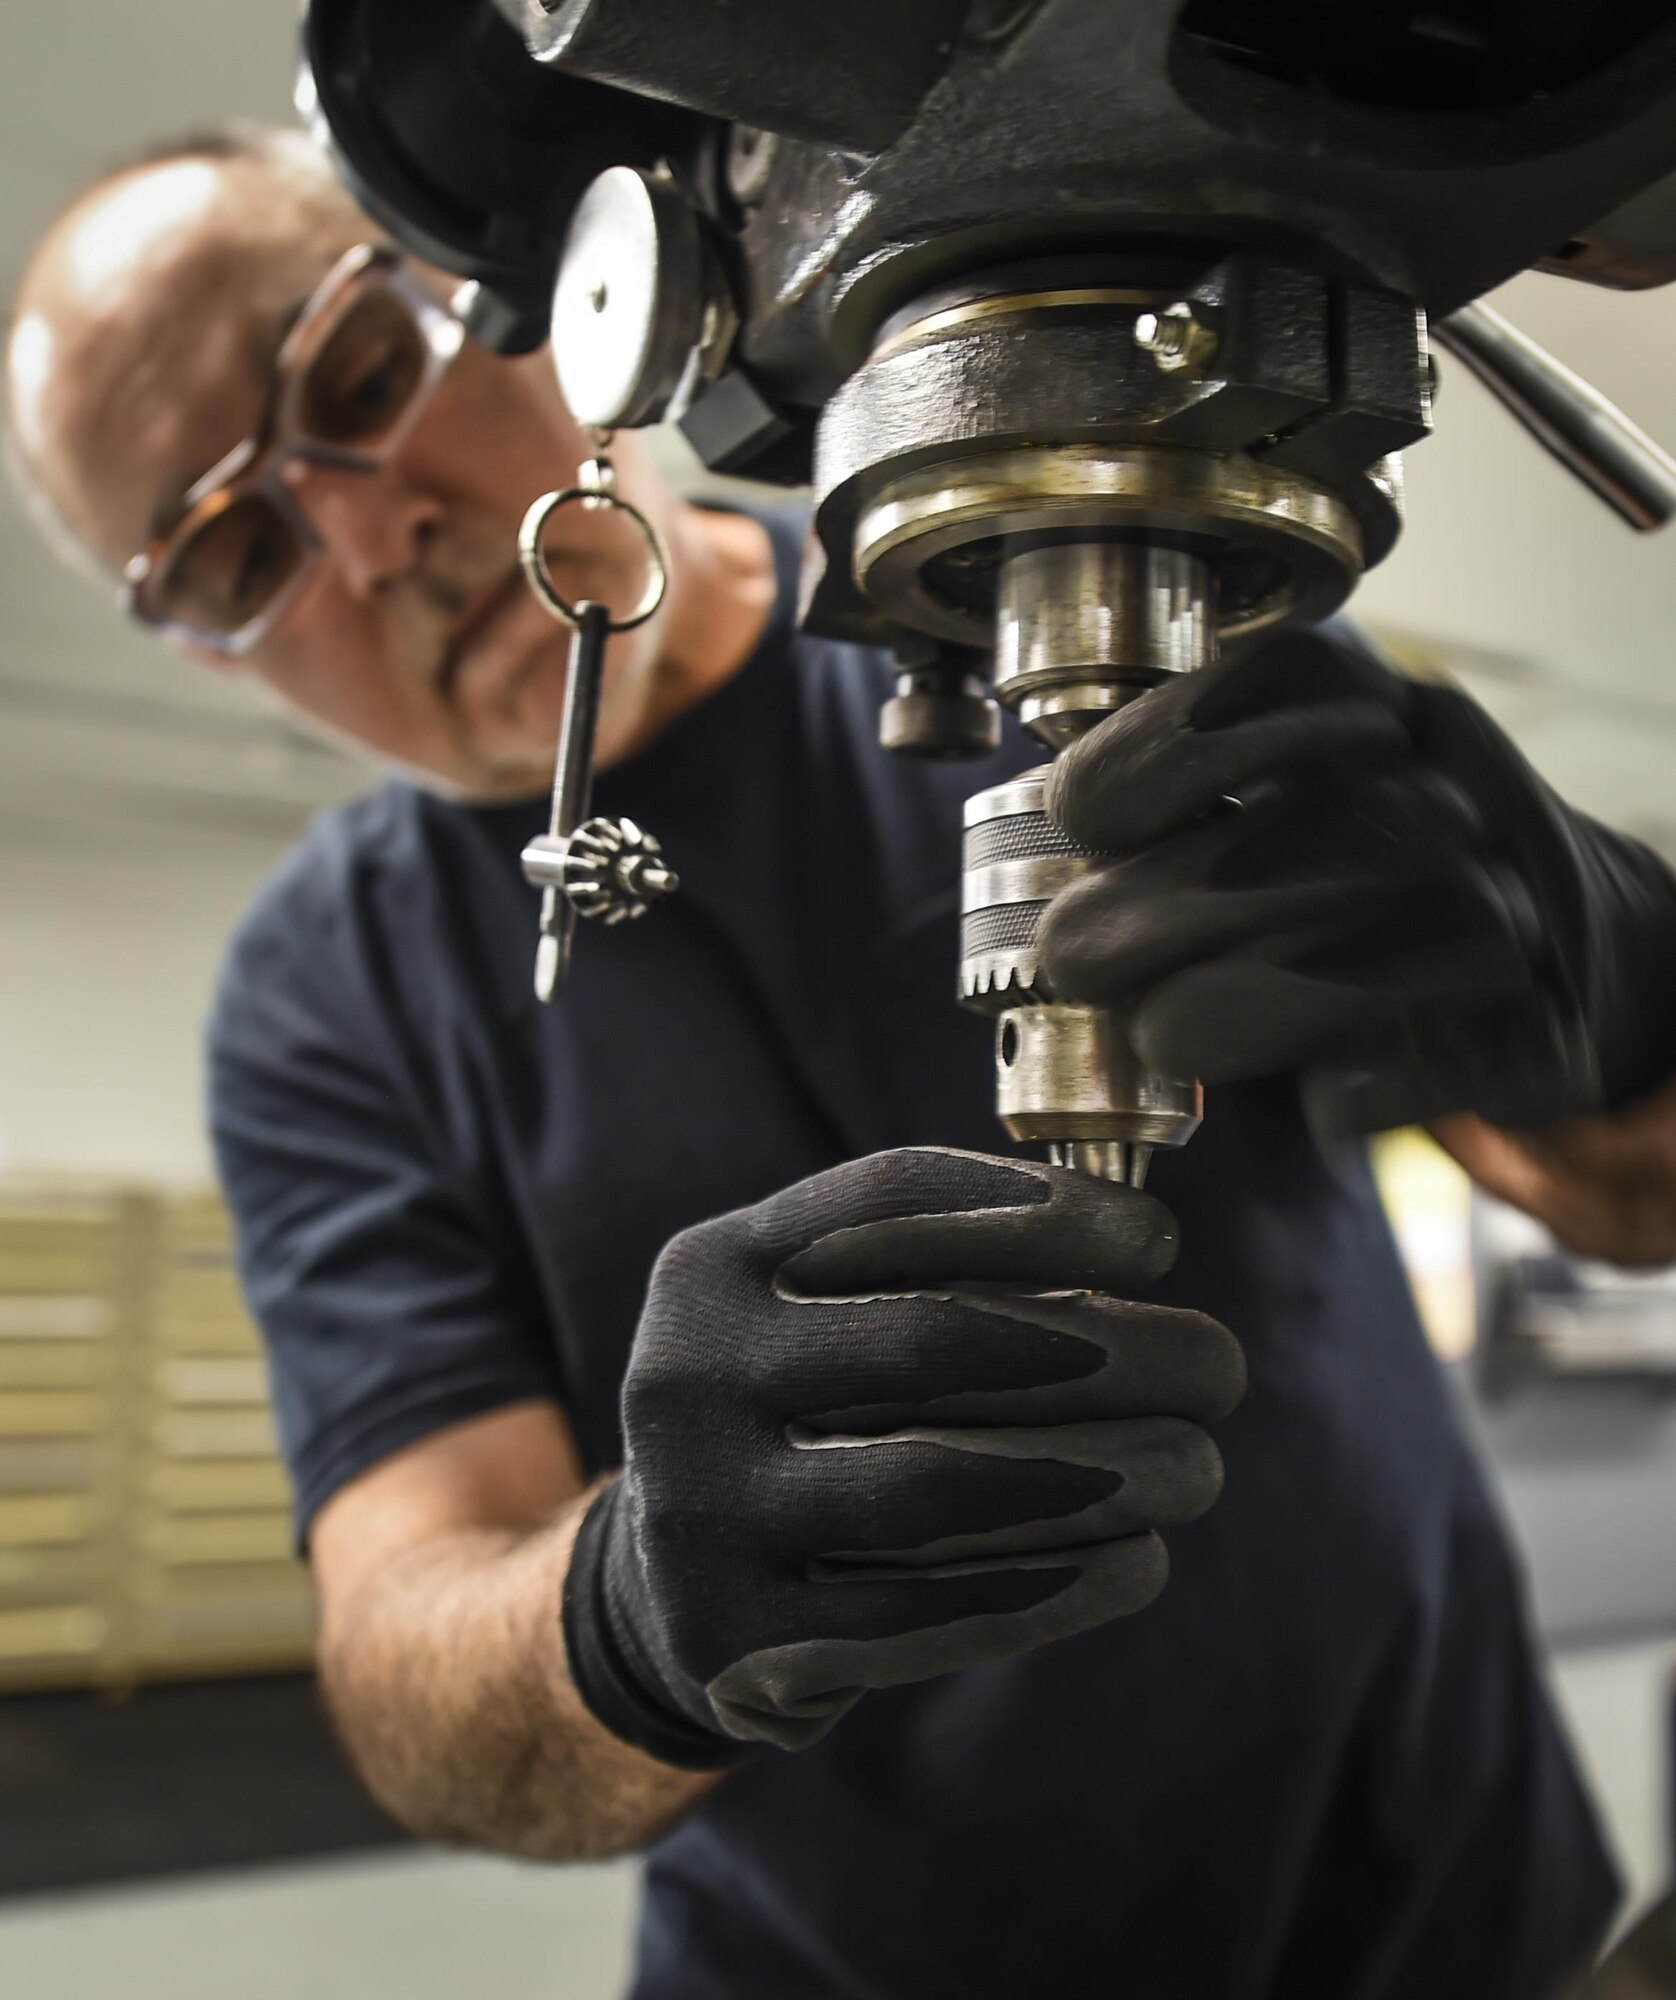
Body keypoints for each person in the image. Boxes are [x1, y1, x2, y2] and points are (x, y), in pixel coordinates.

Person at [10, 121, 1676, 1996]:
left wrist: (1605, 1002)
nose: (371, 529)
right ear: (214, 652)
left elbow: (1627, 1202)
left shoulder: (1100, 556)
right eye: (237, 550)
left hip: (1446, 1907)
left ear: (542, 296)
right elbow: (408, 1662)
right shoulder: (330, 997)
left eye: (362, 378)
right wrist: (636, 1608)